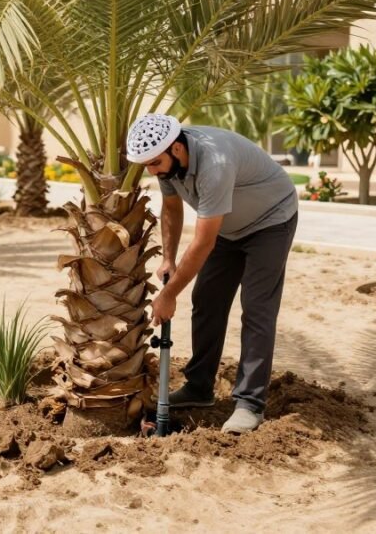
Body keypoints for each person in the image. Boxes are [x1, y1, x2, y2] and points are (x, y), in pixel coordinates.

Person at [125, 113, 299, 434]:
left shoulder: (214, 164)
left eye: (155, 163)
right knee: (206, 300)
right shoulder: (167, 162)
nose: (152, 171)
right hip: (228, 229)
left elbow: (203, 242)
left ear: (177, 148)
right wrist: (168, 259)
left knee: (257, 308)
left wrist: (168, 295)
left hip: (271, 221)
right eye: (146, 165)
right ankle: (199, 387)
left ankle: (249, 403)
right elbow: (172, 208)